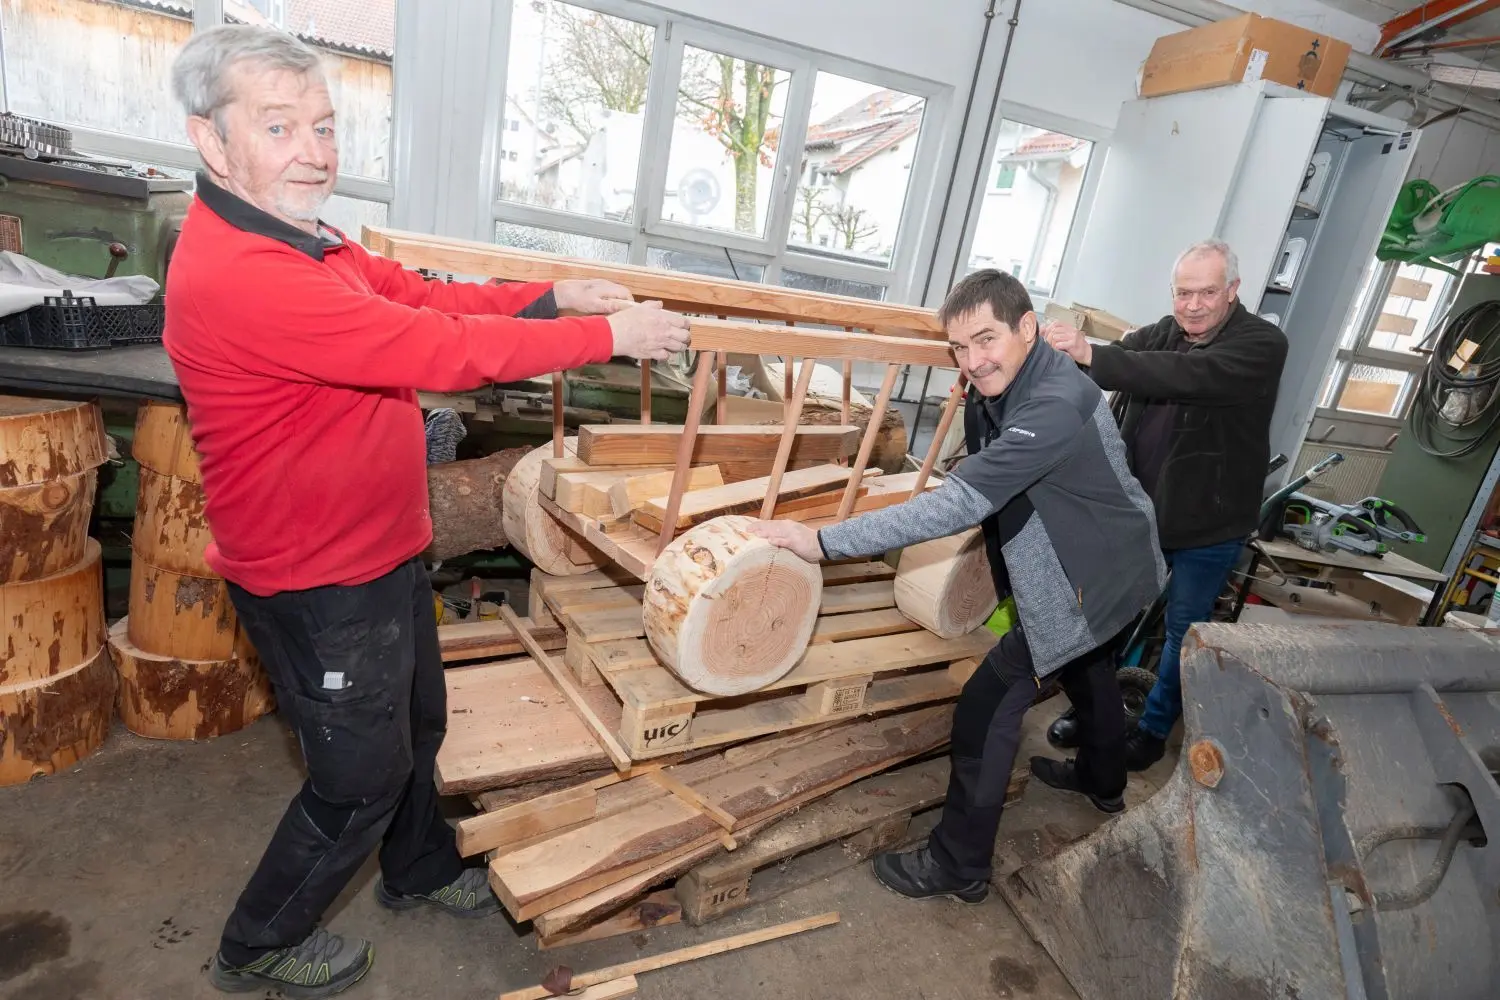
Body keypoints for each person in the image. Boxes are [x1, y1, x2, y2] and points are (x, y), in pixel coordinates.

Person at [165, 25, 691, 998]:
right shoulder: (243, 273)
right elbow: (437, 351)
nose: (315, 150)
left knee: (418, 727)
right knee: (357, 776)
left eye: (323, 126)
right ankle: (258, 938)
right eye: (279, 127)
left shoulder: (301, 232)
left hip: (379, 547)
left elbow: (413, 291)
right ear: (212, 140)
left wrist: (544, 296)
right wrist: (606, 333)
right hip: (315, 576)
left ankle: (416, 870)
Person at [750, 269, 1165, 902]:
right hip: (1119, 562)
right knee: (1091, 670)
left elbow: (960, 503)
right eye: (960, 349)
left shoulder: (1057, 401)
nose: (973, 361)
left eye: (987, 340)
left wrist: (823, 541)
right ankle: (1103, 782)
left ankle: (959, 864)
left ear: (1028, 327)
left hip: (1091, 578)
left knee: (986, 708)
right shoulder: (1015, 377)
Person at [1042, 240, 1287, 771]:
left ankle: (1152, 732)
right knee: (1104, 616)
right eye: (1183, 293)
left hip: (1210, 521)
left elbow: (1186, 377)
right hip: (1139, 511)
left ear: (1233, 291)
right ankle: (1094, 713)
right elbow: (1127, 362)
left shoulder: (1261, 343)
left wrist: (1093, 353)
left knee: (1184, 633)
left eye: (1206, 292)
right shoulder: (1165, 331)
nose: (1193, 305)